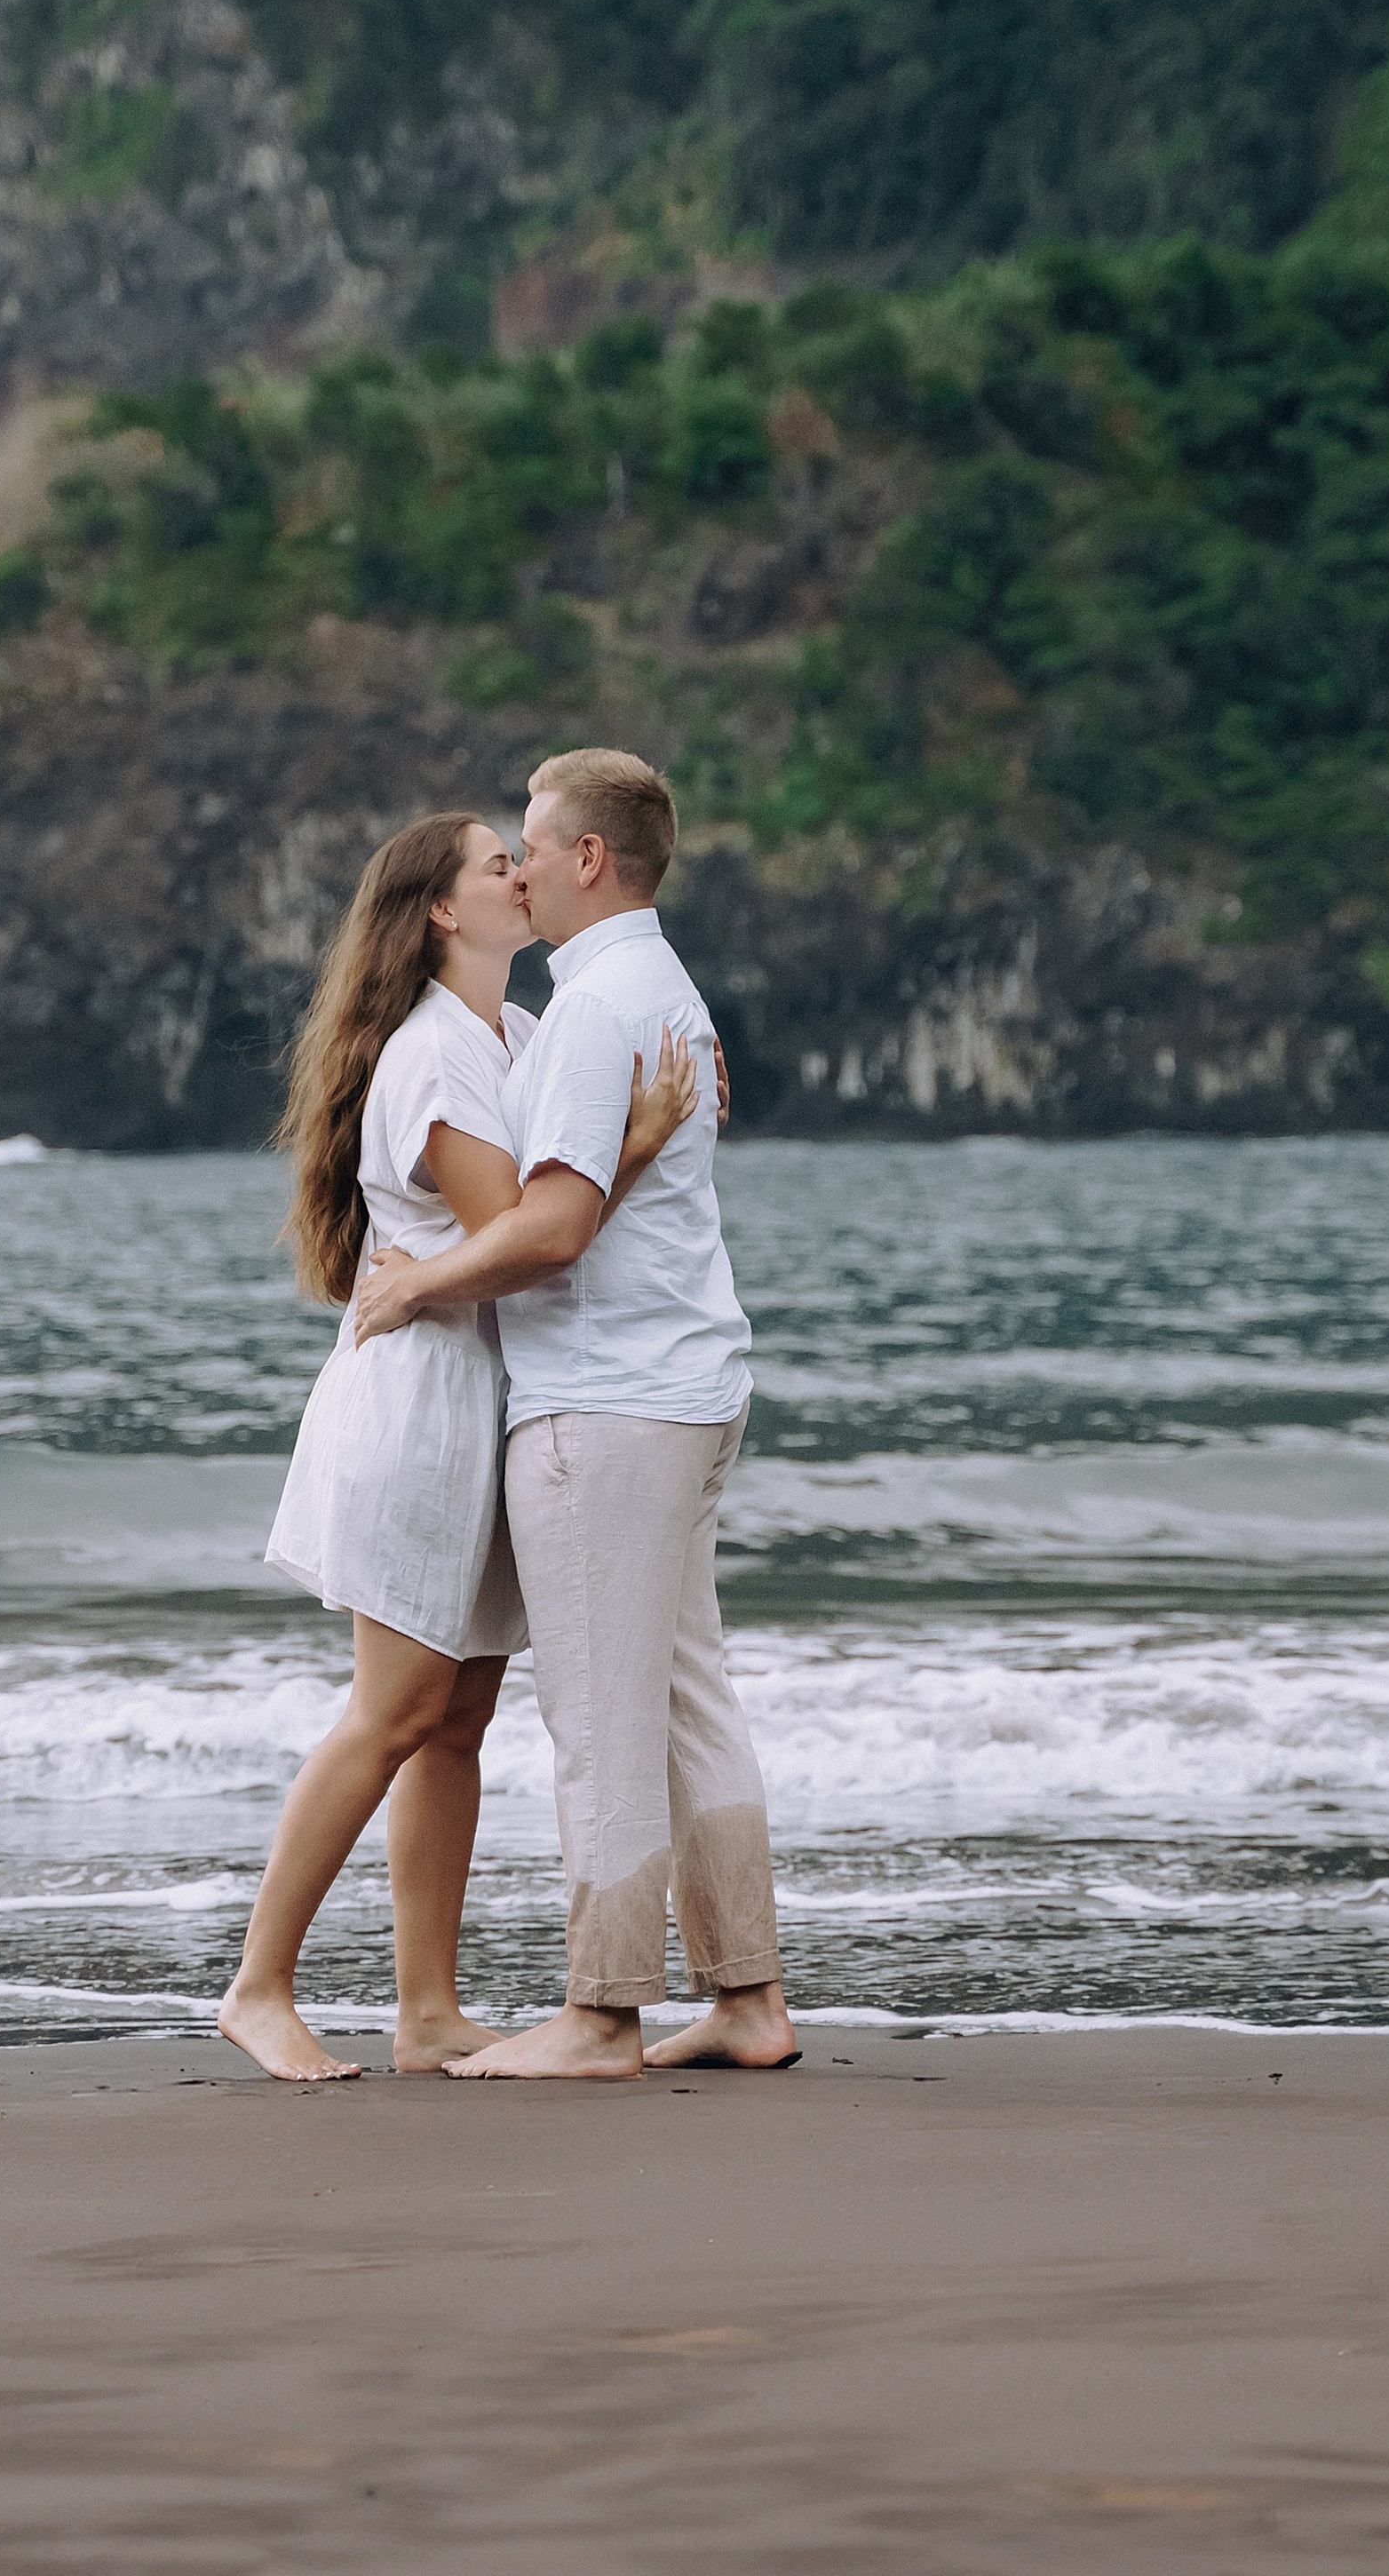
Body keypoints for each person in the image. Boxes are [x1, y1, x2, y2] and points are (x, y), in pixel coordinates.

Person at [219, 809, 697, 2083]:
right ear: (441, 909)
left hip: (487, 1399)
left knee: (456, 1719)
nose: (523, 874)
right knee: (392, 1713)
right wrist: (640, 1142)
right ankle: (258, 1987)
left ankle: (427, 2008)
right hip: (419, 1409)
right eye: (499, 864)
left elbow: (540, 1217)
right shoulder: (432, 1053)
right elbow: (526, 1234)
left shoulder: (518, 1035)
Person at [353, 749, 798, 2079]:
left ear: (589, 858)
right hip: (686, 1387)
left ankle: (603, 2014)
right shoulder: (653, 991)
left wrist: (414, 1282)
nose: (524, 870)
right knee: (687, 1699)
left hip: (606, 1403)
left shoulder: (596, 1009)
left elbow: (550, 1229)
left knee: (601, 1719)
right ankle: (748, 1999)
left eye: (535, 848)